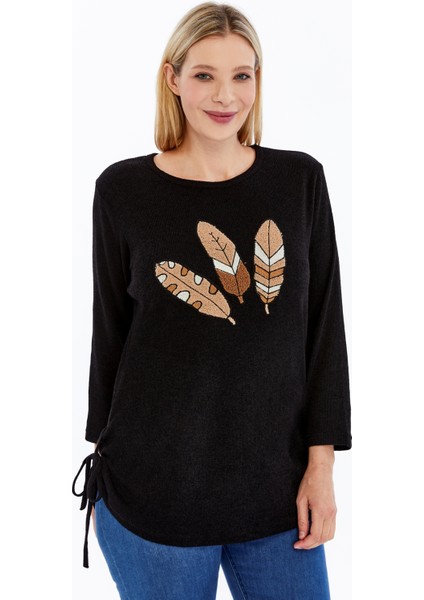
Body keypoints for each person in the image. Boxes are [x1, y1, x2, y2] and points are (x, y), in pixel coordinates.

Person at [72, 2, 352, 599]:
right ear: (173, 79)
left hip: (278, 495)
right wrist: (103, 463)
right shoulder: (122, 190)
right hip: (154, 497)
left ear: (257, 80)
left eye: (241, 75)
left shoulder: (299, 182)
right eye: (204, 75)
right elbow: (110, 336)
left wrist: (322, 466)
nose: (225, 95)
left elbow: (324, 332)